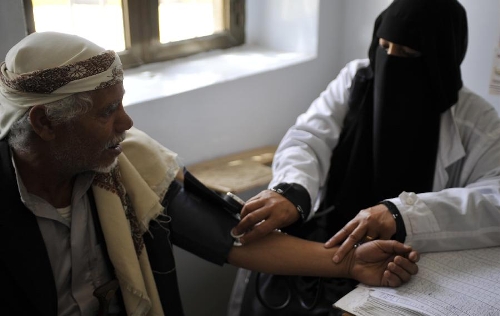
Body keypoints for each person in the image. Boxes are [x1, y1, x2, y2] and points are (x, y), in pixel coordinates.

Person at [0, 31, 420, 316]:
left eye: (121, 104)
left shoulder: (131, 163)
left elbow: (230, 238)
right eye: (107, 112)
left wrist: (348, 264)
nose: (127, 124)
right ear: (45, 123)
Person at [229, 0, 500, 315]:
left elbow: (496, 196)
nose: (391, 60)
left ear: (441, 59)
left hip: (398, 265)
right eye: (384, 46)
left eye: (408, 54)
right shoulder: (356, 80)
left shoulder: (474, 120)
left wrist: (401, 214)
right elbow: (307, 137)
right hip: (326, 244)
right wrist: (293, 189)